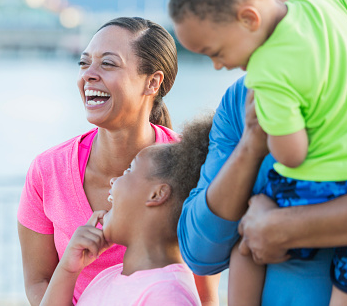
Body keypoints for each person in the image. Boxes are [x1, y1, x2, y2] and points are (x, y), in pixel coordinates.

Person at [168, 0, 347, 305]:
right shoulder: (242, 99)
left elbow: (292, 154)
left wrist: (280, 228)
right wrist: (251, 145)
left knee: (249, 241)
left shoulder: (270, 75)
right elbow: (200, 252)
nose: (218, 65)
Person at [17, 17, 219, 306]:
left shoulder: (190, 167)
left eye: (108, 64)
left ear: (152, 82)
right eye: (84, 63)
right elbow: (38, 281)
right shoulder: (46, 170)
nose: (89, 74)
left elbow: (205, 294)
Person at [39, 114, 213, 306]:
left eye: (129, 170)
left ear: (157, 194)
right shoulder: (107, 278)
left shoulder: (167, 295)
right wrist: (68, 269)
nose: (114, 181)